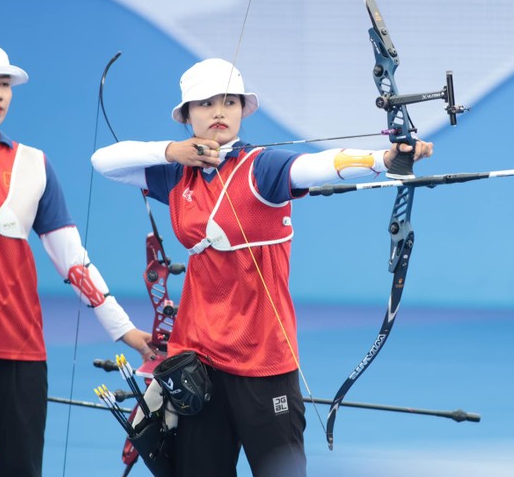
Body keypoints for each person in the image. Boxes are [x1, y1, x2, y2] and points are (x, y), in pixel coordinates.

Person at [90, 58, 433, 476]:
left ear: (241, 110)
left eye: (230, 102)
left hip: (262, 359)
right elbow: (104, 161)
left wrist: (383, 158)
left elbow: (316, 165)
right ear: (187, 116)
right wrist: (171, 151)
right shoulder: (177, 176)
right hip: (197, 360)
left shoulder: (261, 168)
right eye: (206, 103)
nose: (219, 111)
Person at [0, 42, 156, 477]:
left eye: (4, 84)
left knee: (22, 470)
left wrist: (125, 331)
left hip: (22, 354)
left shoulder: (34, 164)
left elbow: (74, 263)